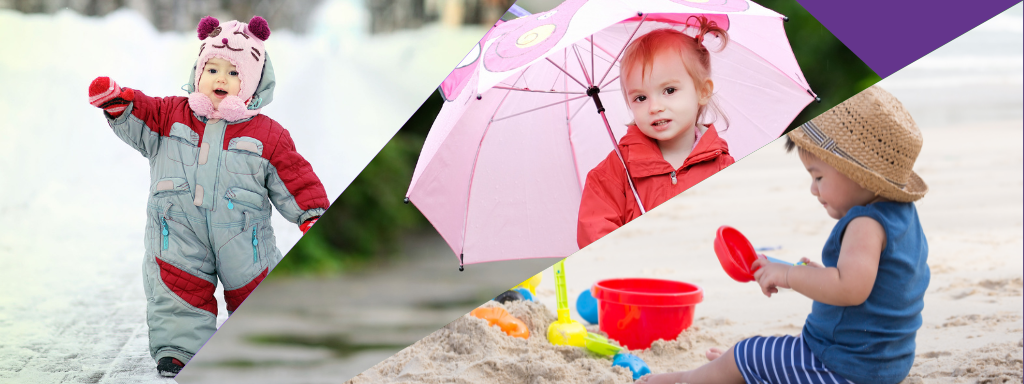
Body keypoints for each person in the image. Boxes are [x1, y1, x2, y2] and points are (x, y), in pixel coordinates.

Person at [87, 16, 329, 377]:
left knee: (255, 287)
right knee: (176, 286)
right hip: (178, 230)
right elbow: (144, 112)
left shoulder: (268, 134)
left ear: (253, 84)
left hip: (244, 236)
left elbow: (293, 174)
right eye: (212, 68)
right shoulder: (171, 114)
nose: (221, 78)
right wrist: (120, 104)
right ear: (198, 72)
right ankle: (180, 347)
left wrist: (309, 212)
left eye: (234, 73)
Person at [637, 86, 930, 384]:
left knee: (746, 353)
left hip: (843, 367)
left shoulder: (865, 224)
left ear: (856, 172)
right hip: (885, 365)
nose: (813, 189)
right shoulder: (902, 216)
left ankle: (686, 380)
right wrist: (818, 275)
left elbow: (850, 289)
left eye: (818, 177)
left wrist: (789, 275)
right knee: (762, 357)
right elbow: (874, 285)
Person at [577, 21, 735, 249]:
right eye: (641, 98)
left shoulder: (722, 166)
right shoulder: (613, 174)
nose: (655, 107)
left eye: (669, 91)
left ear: (702, 91)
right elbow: (595, 235)